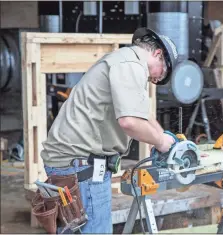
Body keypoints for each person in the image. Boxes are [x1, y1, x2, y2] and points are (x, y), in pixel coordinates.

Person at [38, 28, 179, 233]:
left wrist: (163, 137)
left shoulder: (123, 60)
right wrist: (160, 142)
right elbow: (129, 122)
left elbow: (144, 115)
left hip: (73, 163)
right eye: (162, 73)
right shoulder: (131, 65)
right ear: (158, 54)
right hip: (81, 167)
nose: (156, 80)